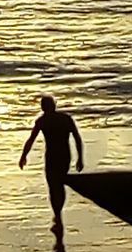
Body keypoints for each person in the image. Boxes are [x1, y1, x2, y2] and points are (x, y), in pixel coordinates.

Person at [18, 96, 83, 234]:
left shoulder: (44, 121)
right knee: (58, 185)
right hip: (63, 156)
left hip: (54, 157)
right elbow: (77, 138)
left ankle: (58, 215)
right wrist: (79, 158)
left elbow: (31, 140)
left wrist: (24, 156)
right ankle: (58, 215)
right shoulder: (63, 119)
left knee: (54, 186)